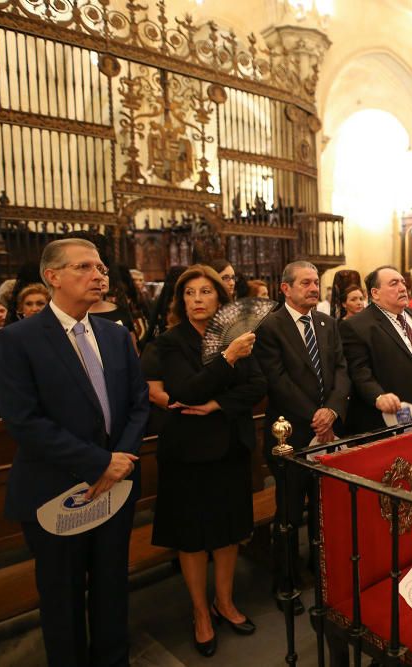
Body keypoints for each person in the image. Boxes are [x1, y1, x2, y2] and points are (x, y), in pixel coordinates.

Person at [0, 238, 149, 667]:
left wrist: (119, 461)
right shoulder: (18, 340)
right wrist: (100, 462)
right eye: (84, 267)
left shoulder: (115, 336)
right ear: (53, 277)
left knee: (111, 588)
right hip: (55, 490)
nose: (98, 275)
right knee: (62, 599)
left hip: (115, 489)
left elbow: (137, 404)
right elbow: (24, 422)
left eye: (100, 268)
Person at [143, 264, 265, 657]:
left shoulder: (237, 336)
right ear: (181, 301)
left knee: (229, 531)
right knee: (193, 536)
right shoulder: (170, 342)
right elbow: (184, 391)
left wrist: (219, 403)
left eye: (205, 292)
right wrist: (226, 360)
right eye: (190, 293)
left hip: (229, 444)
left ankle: (224, 602)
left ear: (220, 298)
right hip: (188, 451)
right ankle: (200, 611)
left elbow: (258, 385)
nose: (197, 300)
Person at [254, 260, 351, 614]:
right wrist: (317, 417)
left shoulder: (326, 323)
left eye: (316, 282)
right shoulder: (271, 327)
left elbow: (341, 369)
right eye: (306, 283)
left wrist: (333, 411)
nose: (314, 288)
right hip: (291, 434)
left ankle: (320, 571)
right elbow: (277, 381)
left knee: (322, 507)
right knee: (289, 513)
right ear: (286, 288)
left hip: (327, 431)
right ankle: (286, 582)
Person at [340, 265, 412, 434]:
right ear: (375, 293)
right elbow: (359, 372)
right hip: (398, 419)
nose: (402, 287)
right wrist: (378, 396)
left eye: (402, 282)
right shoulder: (357, 326)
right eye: (393, 283)